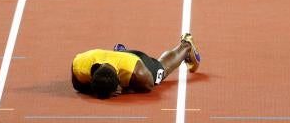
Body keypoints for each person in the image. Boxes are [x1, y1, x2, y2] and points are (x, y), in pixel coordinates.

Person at [71, 33, 201, 99]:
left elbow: (148, 85)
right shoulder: (79, 65)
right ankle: (120, 52)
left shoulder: (139, 72)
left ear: (119, 83)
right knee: (119, 57)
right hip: (112, 57)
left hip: (136, 60)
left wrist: (124, 90)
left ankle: (186, 46)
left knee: (160, 72)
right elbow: (77, 86)